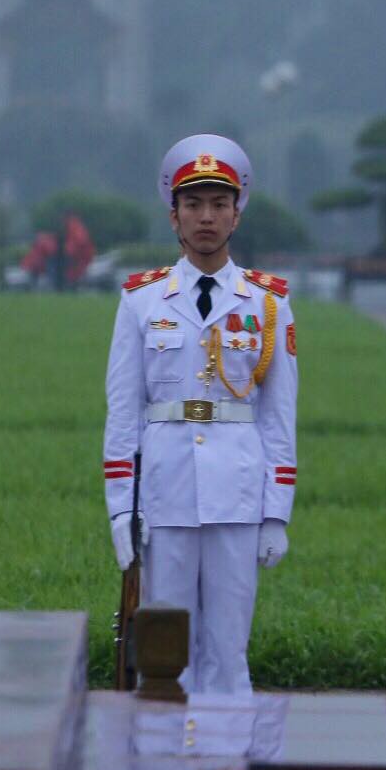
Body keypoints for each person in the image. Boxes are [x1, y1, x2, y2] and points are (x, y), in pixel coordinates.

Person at [102, 134, 299, 696]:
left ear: (237, 215)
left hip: (237, 490)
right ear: (174, 216)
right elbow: (123, 412)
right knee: (165, 650)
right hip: (164, 493)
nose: (206, 217)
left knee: (228, 648)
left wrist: (276, 512)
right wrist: (121, 508)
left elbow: (279, 415)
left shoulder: (268, 302)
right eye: (194, 205)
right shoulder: (142, 300)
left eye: (218, 204)